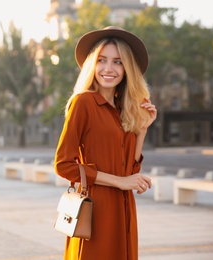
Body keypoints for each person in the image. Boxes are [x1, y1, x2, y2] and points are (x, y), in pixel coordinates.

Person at [54, 26, 157, 260]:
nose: (109, 69)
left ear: (127, 69)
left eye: (118, 62)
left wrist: (142, 130)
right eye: (102, 60)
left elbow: (130, 170)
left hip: (124, 208)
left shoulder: (124, 109)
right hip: (95, 209)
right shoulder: (84, 103)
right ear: (93, 64)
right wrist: (120, 182)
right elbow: (63, 165)